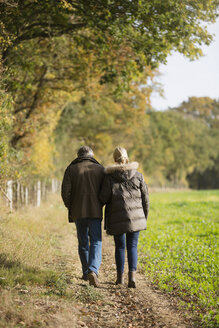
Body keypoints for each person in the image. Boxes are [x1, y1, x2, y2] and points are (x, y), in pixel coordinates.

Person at [99, 147, 149, 288]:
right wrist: (143, 216)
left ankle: (120, 278)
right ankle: (132, 276)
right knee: (132, 246)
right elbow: (146, 198)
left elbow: (103, 198)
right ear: (127, 158)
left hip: (117, 218)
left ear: (114, 160)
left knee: (120, 247)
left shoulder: (109, 177)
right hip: (136, 218)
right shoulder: (138, 176)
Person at [61, 146, 104, 287]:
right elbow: (105, 191)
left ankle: (86, 273)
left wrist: (71, 207)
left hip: (78, 212)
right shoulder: (100, 169)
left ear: (78, 155)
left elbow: (65, 192)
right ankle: (93, 270)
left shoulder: (71, 169)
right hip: (95, 211)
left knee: (83, 242)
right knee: (96, 241)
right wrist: (100, 203)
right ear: (91, 155)